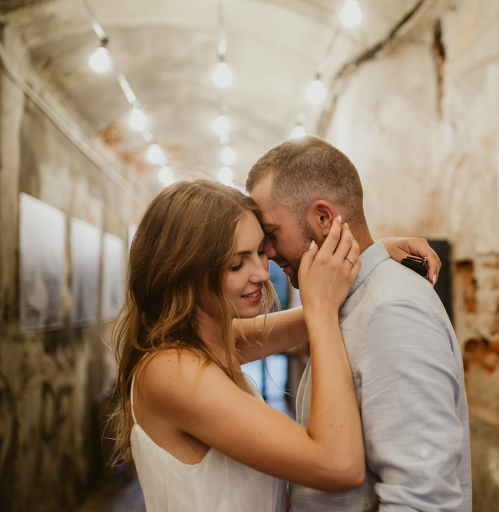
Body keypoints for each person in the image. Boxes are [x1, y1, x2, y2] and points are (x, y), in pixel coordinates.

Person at [110, 179, 439, 511]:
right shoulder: (172, 370)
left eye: (260, 252)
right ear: (183, 273)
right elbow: (339, 465)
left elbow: (301, 321)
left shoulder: (208, 342)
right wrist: (322, 311)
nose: (262, 274)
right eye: (236, 264)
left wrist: (372, 258)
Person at [245, 136, 472, 512]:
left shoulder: (392, 311)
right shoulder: (346, 300)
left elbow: (423, 499)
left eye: (271, 233)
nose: (266, 253)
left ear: (323, 218)